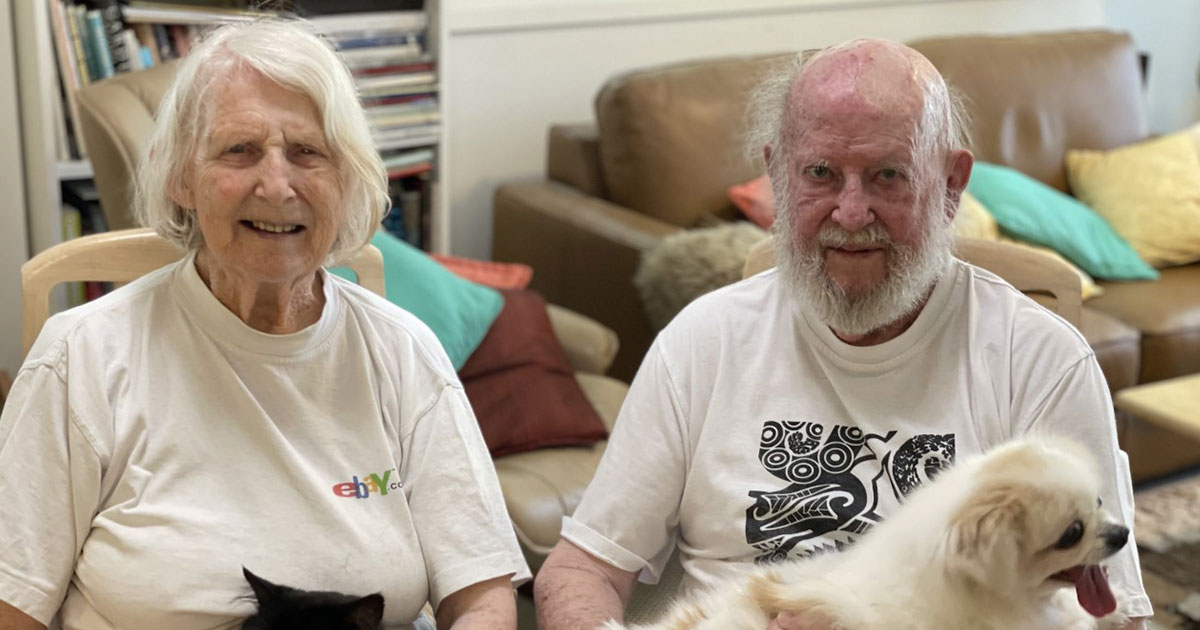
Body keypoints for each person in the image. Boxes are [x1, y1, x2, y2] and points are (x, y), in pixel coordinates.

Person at [534, 38, 1150, 630]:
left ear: (951, 185)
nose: (852, 214)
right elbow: (581, 570)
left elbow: (1116, 616)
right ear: (779, 177)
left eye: (889, 175)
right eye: (821, 173)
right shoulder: (703, 341)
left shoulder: (1040, 361)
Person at [0, 19, 528, 630]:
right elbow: (14, 607)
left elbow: (481, 597)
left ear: (346, 180)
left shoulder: (405, 351)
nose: (277, 187)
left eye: (308, 153)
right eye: (239, 150)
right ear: (180, 177)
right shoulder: (81, 357)